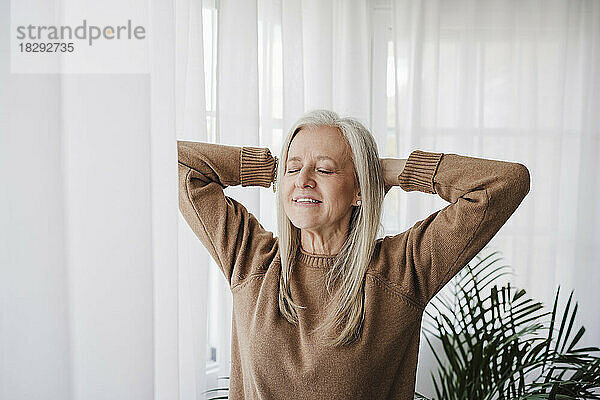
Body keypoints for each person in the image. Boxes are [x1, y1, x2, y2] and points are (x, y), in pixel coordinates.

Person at [177, 109, 530, 400]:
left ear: (359, 189)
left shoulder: (402, 269)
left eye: (325, 169)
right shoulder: (251, 258)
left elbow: (505, 182)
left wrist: (391, 171)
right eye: (294, 167)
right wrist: (272, 168)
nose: (304, 179)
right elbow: (173, 161)